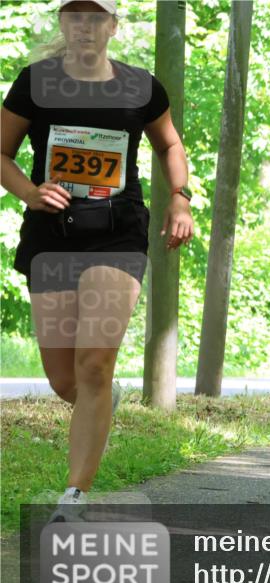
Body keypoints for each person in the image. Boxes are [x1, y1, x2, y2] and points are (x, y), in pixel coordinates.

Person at [1, 0, 193, 521]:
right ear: (63, 23)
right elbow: (2, 153)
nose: (85, 26)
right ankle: (100, 403)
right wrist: (31, 193)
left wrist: (181, 196)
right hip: (53, 234)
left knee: (94, 365)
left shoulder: (141, 86)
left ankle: (74, 497)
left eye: (96, 17)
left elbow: (169, 143)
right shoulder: (35, 82)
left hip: (118, 233)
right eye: (75, 16)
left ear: (113, 25)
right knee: (67, 379)